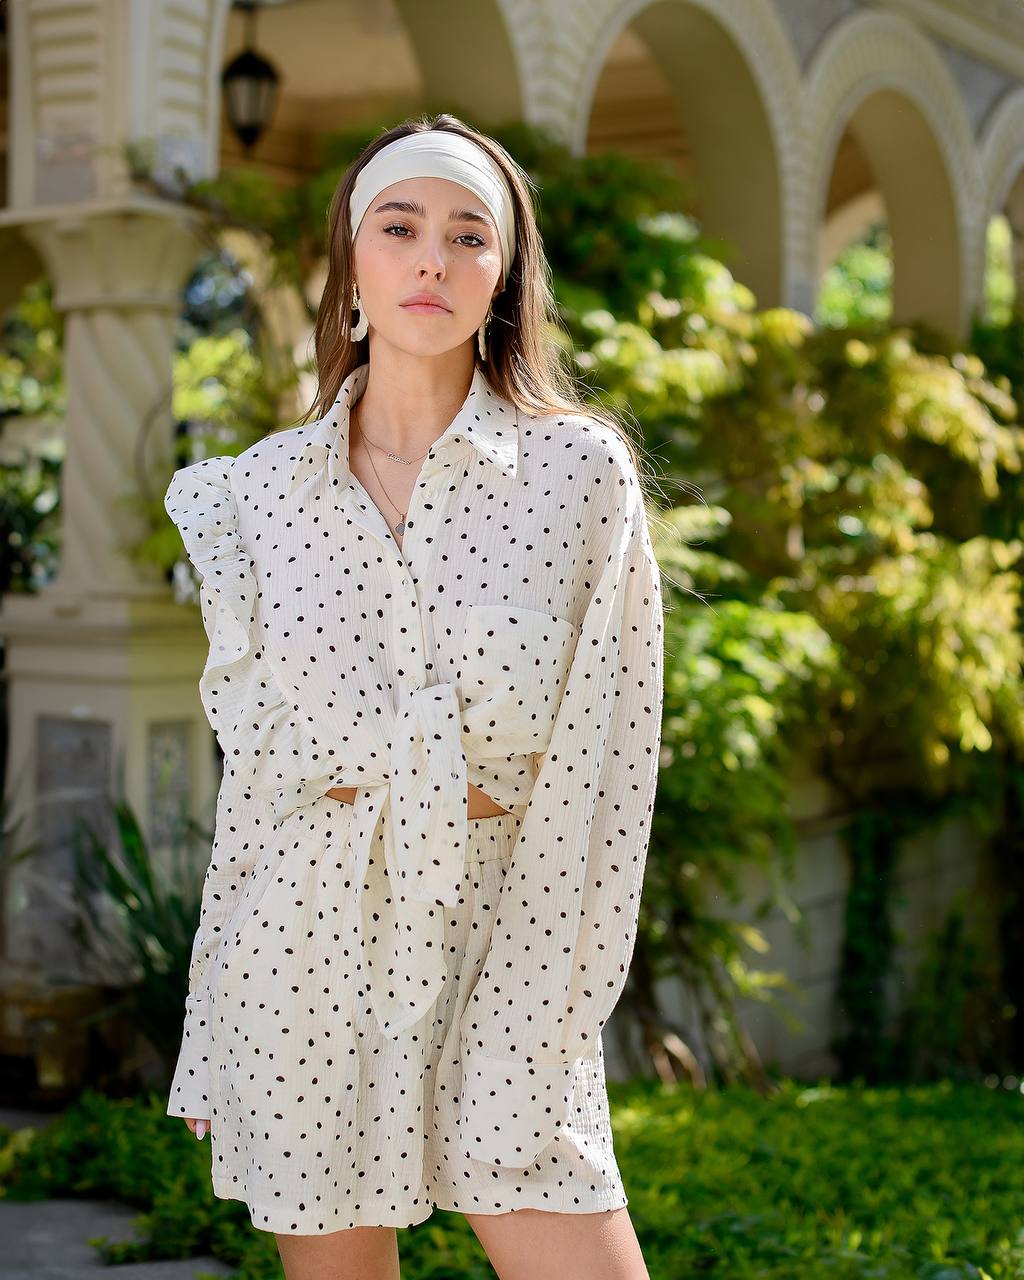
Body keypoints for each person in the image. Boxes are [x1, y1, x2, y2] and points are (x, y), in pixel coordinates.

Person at [163, 113, 664, 1280]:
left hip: (508, 941)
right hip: (300, 951)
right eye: (399, 226)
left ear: (503, 276)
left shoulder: (576, 476)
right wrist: (206, 1029)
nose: (431, 258)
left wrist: (553, 1007)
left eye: (467, 234)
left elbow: (610, 760)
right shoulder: (256, 500)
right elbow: (260, 789)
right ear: (352, 261)